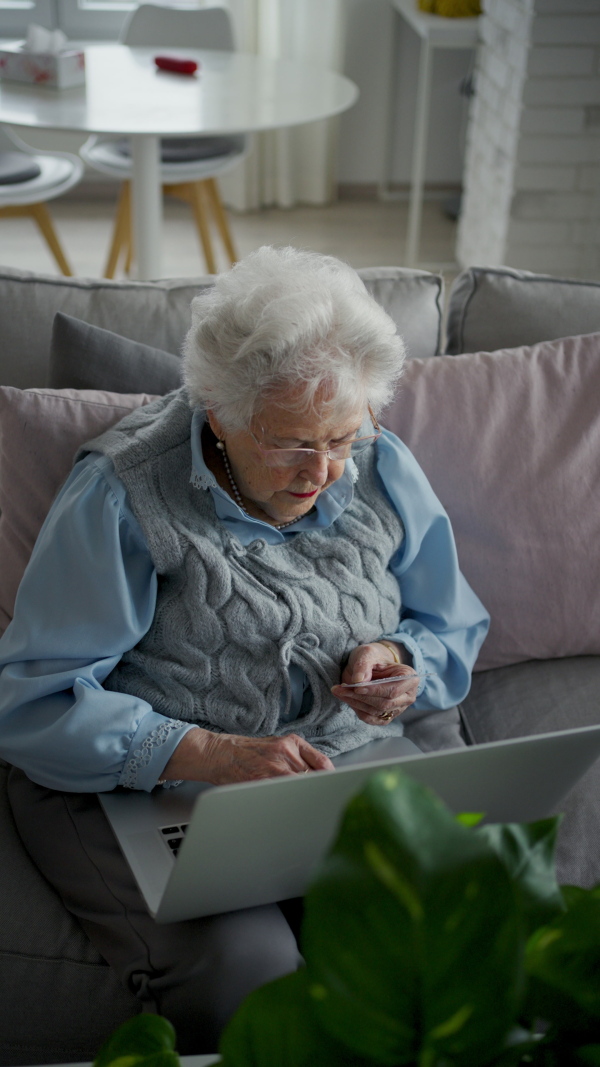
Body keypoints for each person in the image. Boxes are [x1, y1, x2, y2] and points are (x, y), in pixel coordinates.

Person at [0, 246, 489, 1052]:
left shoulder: (377, 462)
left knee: (436, 934)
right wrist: (212, 753)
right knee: (250, 968)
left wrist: (402, 662)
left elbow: (453, 624)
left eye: (340, 437)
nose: (323, 471)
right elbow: (32, 704)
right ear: (218, 411)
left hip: (336, 761)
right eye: (292, 442)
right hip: (140, 784)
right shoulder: (125, 494)